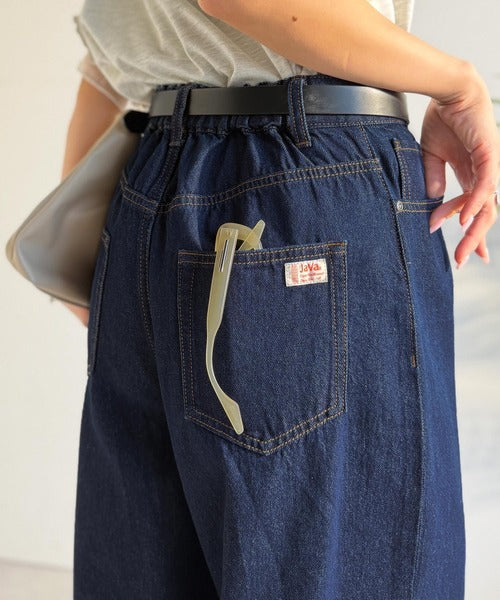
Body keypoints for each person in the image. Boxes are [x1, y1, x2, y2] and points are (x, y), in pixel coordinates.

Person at [62, 1, 499, 598]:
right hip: (304, 178)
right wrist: (458, 84)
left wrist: (87, 247)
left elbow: (106, 55)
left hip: (152, 188)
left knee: (144, 569)